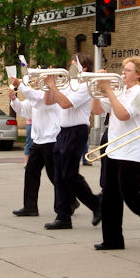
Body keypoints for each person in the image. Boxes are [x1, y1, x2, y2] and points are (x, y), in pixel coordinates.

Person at [91, 56, 140, 250]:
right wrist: (96, 88)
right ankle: (113, 240)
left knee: (130, 194)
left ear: (138, 74)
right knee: (110, 197)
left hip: (133, 149)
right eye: (123, 69)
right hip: (115, 147)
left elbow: (123, 115)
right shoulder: (121, 91)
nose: (123, 73)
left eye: (127, 70)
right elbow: (96, 110)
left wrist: (108, 90)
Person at [43, 53, 102, 229]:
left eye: (74, 64)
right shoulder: (68, 84)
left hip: (77, 131)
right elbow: (49, 102)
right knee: (59, 176)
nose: (70, 68)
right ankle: (63, 217)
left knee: (69, 174)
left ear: (84, 68)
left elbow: (66, 104)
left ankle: (95, 203)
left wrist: (53, 85)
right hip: (62, 132)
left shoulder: (85, 86)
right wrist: (48, 85)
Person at [9, 77, 61, 218]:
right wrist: (14, 99)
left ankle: (69, 200)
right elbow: (24, 111)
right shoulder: (34, 97)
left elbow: (37, 98)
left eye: (40, 79)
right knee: (31, 173)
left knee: (54, 176)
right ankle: (30, 207)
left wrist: (20, 85)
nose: (36, 82)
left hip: (51, 139)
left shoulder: (50, 95)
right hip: (38, 140)